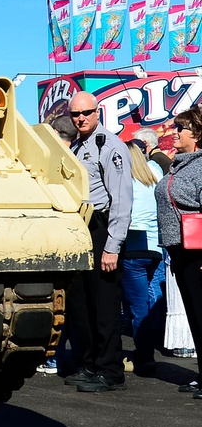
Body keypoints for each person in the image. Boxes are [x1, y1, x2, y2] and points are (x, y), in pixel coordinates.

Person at [65, 95, 132, 392]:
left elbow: (121, 201)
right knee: (82, 305)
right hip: (81, 229)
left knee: (105, 306)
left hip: (101, 228)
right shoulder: (78, 147)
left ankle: (110, 370)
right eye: (76, 114)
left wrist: (112, 246)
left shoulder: (110, 146)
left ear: (97, 112)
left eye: (86, 113)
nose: (81, 118)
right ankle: (91, 364)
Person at [155, 107, 202, 399]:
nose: (174, 133)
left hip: (198, 254)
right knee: (195, 317)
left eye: (179, 129)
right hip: (180, 252)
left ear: (196, 134)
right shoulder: (179, 165)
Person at [121, 138, 164, 374]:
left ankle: (145, 357)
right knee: (150, 298)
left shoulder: (124, 180)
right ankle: (151, 344)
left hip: (133, 247)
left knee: (137, 307)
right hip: (156, 246)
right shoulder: (154, 173)